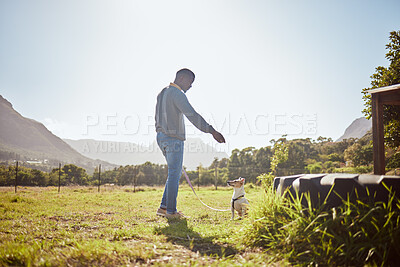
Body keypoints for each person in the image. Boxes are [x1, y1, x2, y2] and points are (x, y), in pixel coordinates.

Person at [155, 68, 225, 219]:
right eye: (190, 82)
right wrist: (211, 130)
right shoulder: (177, 94)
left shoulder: (162, 93)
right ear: (181, 79)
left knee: (174, 172)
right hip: (173, 139)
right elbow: (192, 115)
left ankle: (163, 207)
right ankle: (171, 212)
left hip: (161, 137)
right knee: (174, 173)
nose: (190, 86)